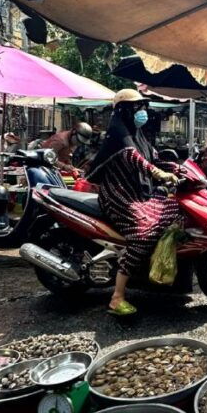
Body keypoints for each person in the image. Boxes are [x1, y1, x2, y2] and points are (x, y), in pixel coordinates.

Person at [86, 89, 180, 316]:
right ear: (124, 110)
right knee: (141, 236)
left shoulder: (137, 133)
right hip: (118, 196)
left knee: (174, 209)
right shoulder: (118, 133)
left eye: (142, 107)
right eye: (136, 107)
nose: (141, 111)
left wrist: (177, 168)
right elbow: (133, 157)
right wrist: (157, 173)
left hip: (139, 193)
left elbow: (153, 157)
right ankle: (117, 297)